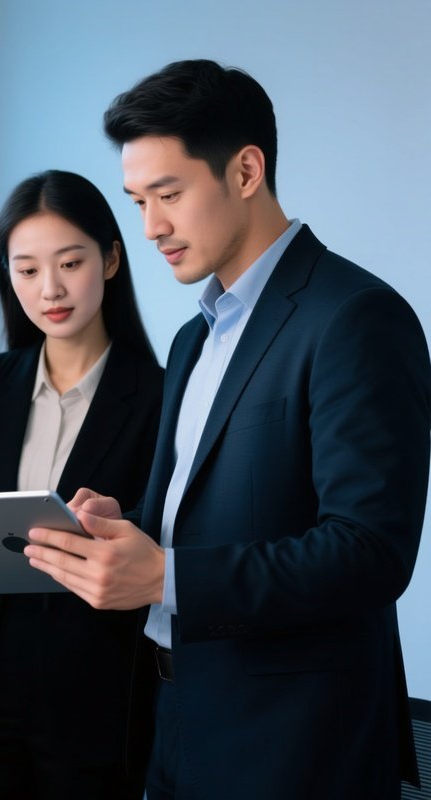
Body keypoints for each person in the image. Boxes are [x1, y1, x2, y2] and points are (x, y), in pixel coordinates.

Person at [24, 60, 431, 800]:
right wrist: (128, 528)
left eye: (169, 195)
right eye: (138, 202)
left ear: (246, 171)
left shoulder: (356, 318)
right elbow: (211, 516)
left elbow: (370, 552)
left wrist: (165, 576)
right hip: (173, 719)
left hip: (295, 744)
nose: (150, 227)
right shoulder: (193, 338)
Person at [0, 169, 164, 799]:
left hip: (95, 694)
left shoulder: (161, 393)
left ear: (111, 260)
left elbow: (165, 531)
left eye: (70, 263)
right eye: (26, 270)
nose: (49, 289)